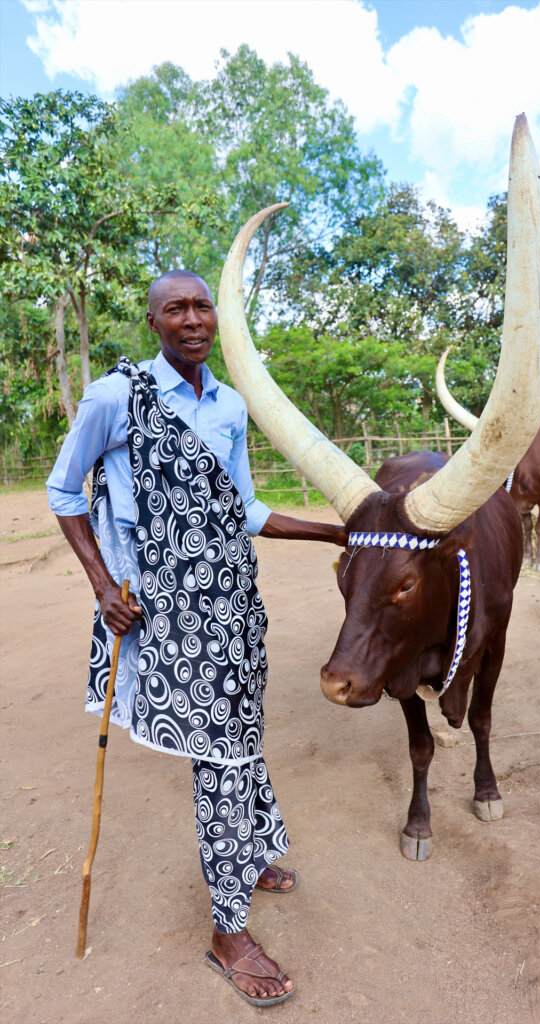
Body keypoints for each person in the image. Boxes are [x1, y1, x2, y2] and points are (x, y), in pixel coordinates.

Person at [47, 270, 346, 1007]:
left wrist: (342, 531)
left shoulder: (231, 406)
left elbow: (244, 509)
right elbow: (63, 491)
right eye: (174, 308)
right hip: (164, 615)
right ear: (152, 322)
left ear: (216, 318)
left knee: (242, 732)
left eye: (201, 305)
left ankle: (253, 851)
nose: (192, 318)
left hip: (232, 604)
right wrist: (99, 587)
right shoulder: (115, 397)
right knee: (221, 752)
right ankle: (228, 929)